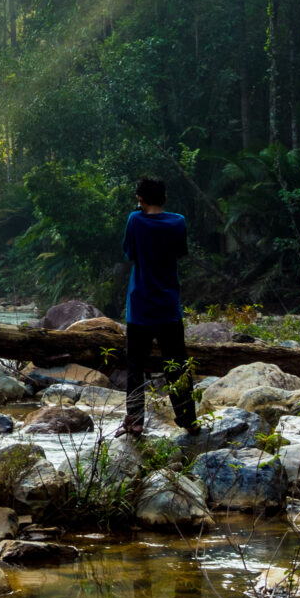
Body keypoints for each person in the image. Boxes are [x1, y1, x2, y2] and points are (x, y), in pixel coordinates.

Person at [119, 176, 195, 437]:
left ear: (141, 198)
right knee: (177, 365)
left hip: (140, 305)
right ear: (163, 197)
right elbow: (180, 253)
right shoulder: (178, 222)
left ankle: (136, 421)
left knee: (135, 366)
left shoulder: (135, 220)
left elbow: (129, 253)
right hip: (168, 306)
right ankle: (188, 419)